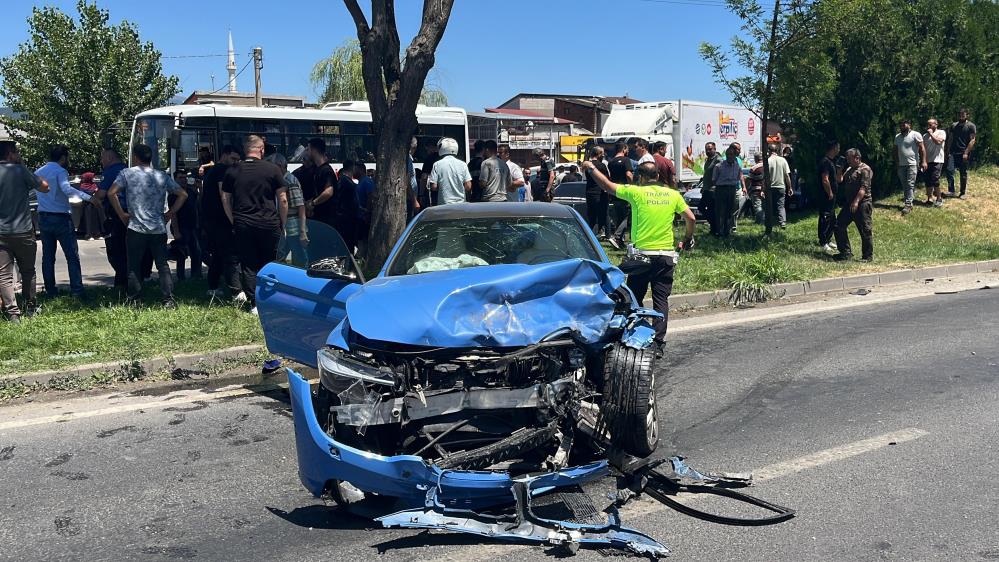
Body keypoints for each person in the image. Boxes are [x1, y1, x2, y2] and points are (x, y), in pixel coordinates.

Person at [582, 159, 696, 354]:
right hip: (665, 257)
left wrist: (591, 168)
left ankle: (638, 335)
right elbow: (691, 218)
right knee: (661, 300)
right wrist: (687, 238)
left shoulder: (636, 192)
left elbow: (607, 186)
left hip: (641, 257)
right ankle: (658, 343)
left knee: (635, 298)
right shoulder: (673, 194)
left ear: (640, 178)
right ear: (658, 176)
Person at [107, 144, 187, 308]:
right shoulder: (161, 176)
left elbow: (111, 193)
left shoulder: (126, 174)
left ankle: (135, 299)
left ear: (136, 157)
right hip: (158, 227)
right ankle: (168, 300)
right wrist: (170, 213)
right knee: (162, 265)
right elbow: (182, 194)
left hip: (136, 227)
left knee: (134, 265)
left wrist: (122, 214)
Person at [221, 135, 288, 314]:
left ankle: (254, 303)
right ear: (262, 149)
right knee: (270, 263)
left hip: (243, 223)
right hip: (269, 223)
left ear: (245, 150)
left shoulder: (233, 170)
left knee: (249, 264)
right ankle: (272, 299)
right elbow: (282, 199)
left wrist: (233, 219)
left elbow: (225, 198)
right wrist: (284, 223)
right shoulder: (273, 169)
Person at [35, 145, 93, 298]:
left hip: (43, 217)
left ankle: (50, 290)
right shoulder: (61, 171)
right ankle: (77, 291)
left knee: (48, 257)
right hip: (61, 217)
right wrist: (88, 197)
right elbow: (67, 190)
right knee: (72, 256)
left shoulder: (38, 172)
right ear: (63, 158)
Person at [0, 140, 48, 322]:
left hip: (1, 233)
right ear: (10, 154)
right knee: (28, 271)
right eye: (16, 152)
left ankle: (13, 314)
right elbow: (44, 187)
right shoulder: (19, 170)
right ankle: (30, 307)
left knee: (3, 275)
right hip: (23, 230)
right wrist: (23, 166)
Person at [201, 145, 242, 299]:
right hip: (222, 220)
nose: (235, 162)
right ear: (224, 155)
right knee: (230, 255)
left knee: (218, 254)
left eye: (238, 160)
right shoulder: (222, 171)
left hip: (211, 220)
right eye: (233, 158)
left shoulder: (212, 170)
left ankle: (213, 286)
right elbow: (224, 194)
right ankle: (236, 291)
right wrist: (232, 216)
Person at [93, 149, 128, 289]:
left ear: (109, 158)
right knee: (127, 250)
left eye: (102, 158)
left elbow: (101, 195)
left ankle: (121, 283)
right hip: (130, 213)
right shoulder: (127, 169)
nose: (101, 161)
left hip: (116, 215)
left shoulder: (110, 172)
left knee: (115, 251)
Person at [267, 153, 309, 266]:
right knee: (280, 259)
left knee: (300, 261)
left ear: (280, 165)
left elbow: (300, 207)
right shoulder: (283, 181)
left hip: (294, 230)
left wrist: (302, 232)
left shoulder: (290, 182)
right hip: (288, 229)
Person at [833, 148, 874, 262]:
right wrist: (839, 170)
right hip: (849, 203)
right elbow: (839, 180)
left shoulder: (865, 169)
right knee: (839, 225)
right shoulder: (850, 169)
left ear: (857, 158)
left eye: (849, 159)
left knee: (865, 230)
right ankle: (845, 252)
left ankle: (867, 256)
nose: (847, 161)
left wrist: (856, 202)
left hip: (862, 203)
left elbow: (863, 188)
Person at [169, 168, 202, 281]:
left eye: (185, 177)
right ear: (175, 179)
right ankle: (181, 277)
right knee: (181, 253)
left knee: (196, 252)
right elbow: (173, 214)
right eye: (180, 178)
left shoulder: (191, 191)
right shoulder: (173, 194)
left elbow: (198, 206)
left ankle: (196, 276)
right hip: (181, 226)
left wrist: (200, 188)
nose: (183, 180)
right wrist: (176, 231)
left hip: (192, 226)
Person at [893, 119, 926, 215]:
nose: (903, 126)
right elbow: (895, 150)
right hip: (901, 165)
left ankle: (908, 204)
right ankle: (909, 201)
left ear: (909, 125)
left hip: (912, 164)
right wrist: (897, 162)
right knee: (904, 184)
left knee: (910, 184)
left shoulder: (916, 134)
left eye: (904, 125)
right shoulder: (897, 137)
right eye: (901, 125)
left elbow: (922, 148)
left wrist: (923, 161)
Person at [712, 144, 745, 237]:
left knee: (730, 211)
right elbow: (714, 180)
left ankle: (727, 231)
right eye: (728, 155)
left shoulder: (737, 166)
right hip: (721, 189)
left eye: (732, 154)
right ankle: (719, 231)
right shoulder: (719, 166)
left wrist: (743, 187)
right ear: (726, 155)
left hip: (732, 189)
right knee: (720, 211)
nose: (730, 156)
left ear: (735, 155)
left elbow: (740, 176)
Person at [428, 137, 472, 205]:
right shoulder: (463, 164)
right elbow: (468, 186)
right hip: (461, 204)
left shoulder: (437, 164)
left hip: (444, 203)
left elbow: (433, 187)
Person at [304, 138, 337, 227]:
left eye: (308, 149)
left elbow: (329, 192)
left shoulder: (326, 170)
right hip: (319, 218)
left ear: (314, 150)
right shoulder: (316, 169)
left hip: (327, 220)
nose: (306, 152)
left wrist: (313, 203)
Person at [607, 142, 634, 249]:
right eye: (627, 150)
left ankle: (619, 242)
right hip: (625, 191)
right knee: (627, 216)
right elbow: (628, 174)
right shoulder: (626, 160)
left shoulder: (611, 162)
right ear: (624, 149)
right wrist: (632, 186)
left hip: (615, 191)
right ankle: (617, 237)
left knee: (619, 216)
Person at [945, 108, 977, 198]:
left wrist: (966, 152)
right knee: (949, 170)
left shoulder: (971, 126)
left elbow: (972, 140)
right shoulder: (954, 125)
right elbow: (950, 138)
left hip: (963, 152)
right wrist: (947, 151)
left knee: (963, 173)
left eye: (963, 114)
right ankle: (951, 191)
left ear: (967, 115)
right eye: (960, 114)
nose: (961, 116)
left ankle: (962, 193)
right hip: (953, 152)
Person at [817, 140, 841, 252]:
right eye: (838, 147)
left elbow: (837, 178)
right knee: (825, 217)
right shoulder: (825, 162)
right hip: (826, 195)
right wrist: (829, 192)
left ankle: (828, 238)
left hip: (833, 195)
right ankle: (823, 241)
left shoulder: (832, 161)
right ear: (833, 147)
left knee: (832, 217)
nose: (839, 149)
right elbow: (825, 179)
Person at [764, 144, 793, 235]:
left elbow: (765, 176)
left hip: (770, 187)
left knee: (770, 206)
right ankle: (782, 222)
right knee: (781, 205)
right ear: (777, 150)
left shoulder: (768, 161)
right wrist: (790, 187)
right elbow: (787, 175)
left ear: (769, 151)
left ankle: (770, 223)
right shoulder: (783, 160)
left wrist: (763, 188)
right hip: (781, 186)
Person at [334, 160, 361, 252]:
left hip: (343, 220)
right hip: (348, 222)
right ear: (353, 168)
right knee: (348, 247)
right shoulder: (349, 184)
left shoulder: (342, 181)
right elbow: (354, 204)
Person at [583, 146, 610, 234]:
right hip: (600, 193)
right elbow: (606, 179)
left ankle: (590, 234)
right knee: (604, 214)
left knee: (591, 216)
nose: (603, 156)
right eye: (602, 154)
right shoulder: (601, 165)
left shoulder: (587, 165)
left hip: (589, 192)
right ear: (598, 154)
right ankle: (608, 234)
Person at [922, 118, 946, 207]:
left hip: (938, 160)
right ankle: (929, 198)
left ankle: (939, 198)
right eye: (928, 125)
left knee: (935, 179)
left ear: (936, 124)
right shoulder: (924, 136)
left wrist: (931, 134)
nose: (929, 126)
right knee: (928, 180)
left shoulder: (941, 132)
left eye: (931, 124)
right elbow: (922, 149)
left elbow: (938, 142)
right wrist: (923, 161)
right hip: (928, 161)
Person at [700, 142, 722, 236]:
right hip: (706, 189)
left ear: (715, 149)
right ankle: (714, 227)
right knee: (707, 209)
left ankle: (715, 228)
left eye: (710, 149)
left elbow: (720, 174)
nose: (708, 151)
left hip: (713, 190)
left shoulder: (718, 160)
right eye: (706, 149)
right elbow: (707, 174)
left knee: (707, 208)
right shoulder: (708, 160)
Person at [355, 163, 375, 257]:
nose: (354, 171)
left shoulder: (366, 181)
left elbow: (370, 196)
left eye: (356, 169)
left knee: (364, 240)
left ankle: (363, 258)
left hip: (364, 216)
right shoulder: (360, 182)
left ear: (361, 170)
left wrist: (367, 211)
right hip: (359, 216)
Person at [77, 172, 104, 240]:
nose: (93, 179)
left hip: (94, 205)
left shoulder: (94, 185)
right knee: (88, 219)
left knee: (96, 219)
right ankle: (88, 235)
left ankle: (97, 234)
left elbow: (97, 191)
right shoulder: (82, 186)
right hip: (87, 205)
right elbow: (82, 194)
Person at [748, 153, 766, 224]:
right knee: (764, 206)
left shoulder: (754, 168)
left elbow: (750, 179)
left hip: (756, 189)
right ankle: (765, 220)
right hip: (766, 189)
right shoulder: (767, 166)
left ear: (755, 159)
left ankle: (760, 222)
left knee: (758, 206)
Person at [406, 138, 421, 219]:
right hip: (409, 198)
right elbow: (407, 180)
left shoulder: (409, 159)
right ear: (414, 147)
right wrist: (414, 200)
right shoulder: (408, 159)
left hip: (410, 198)